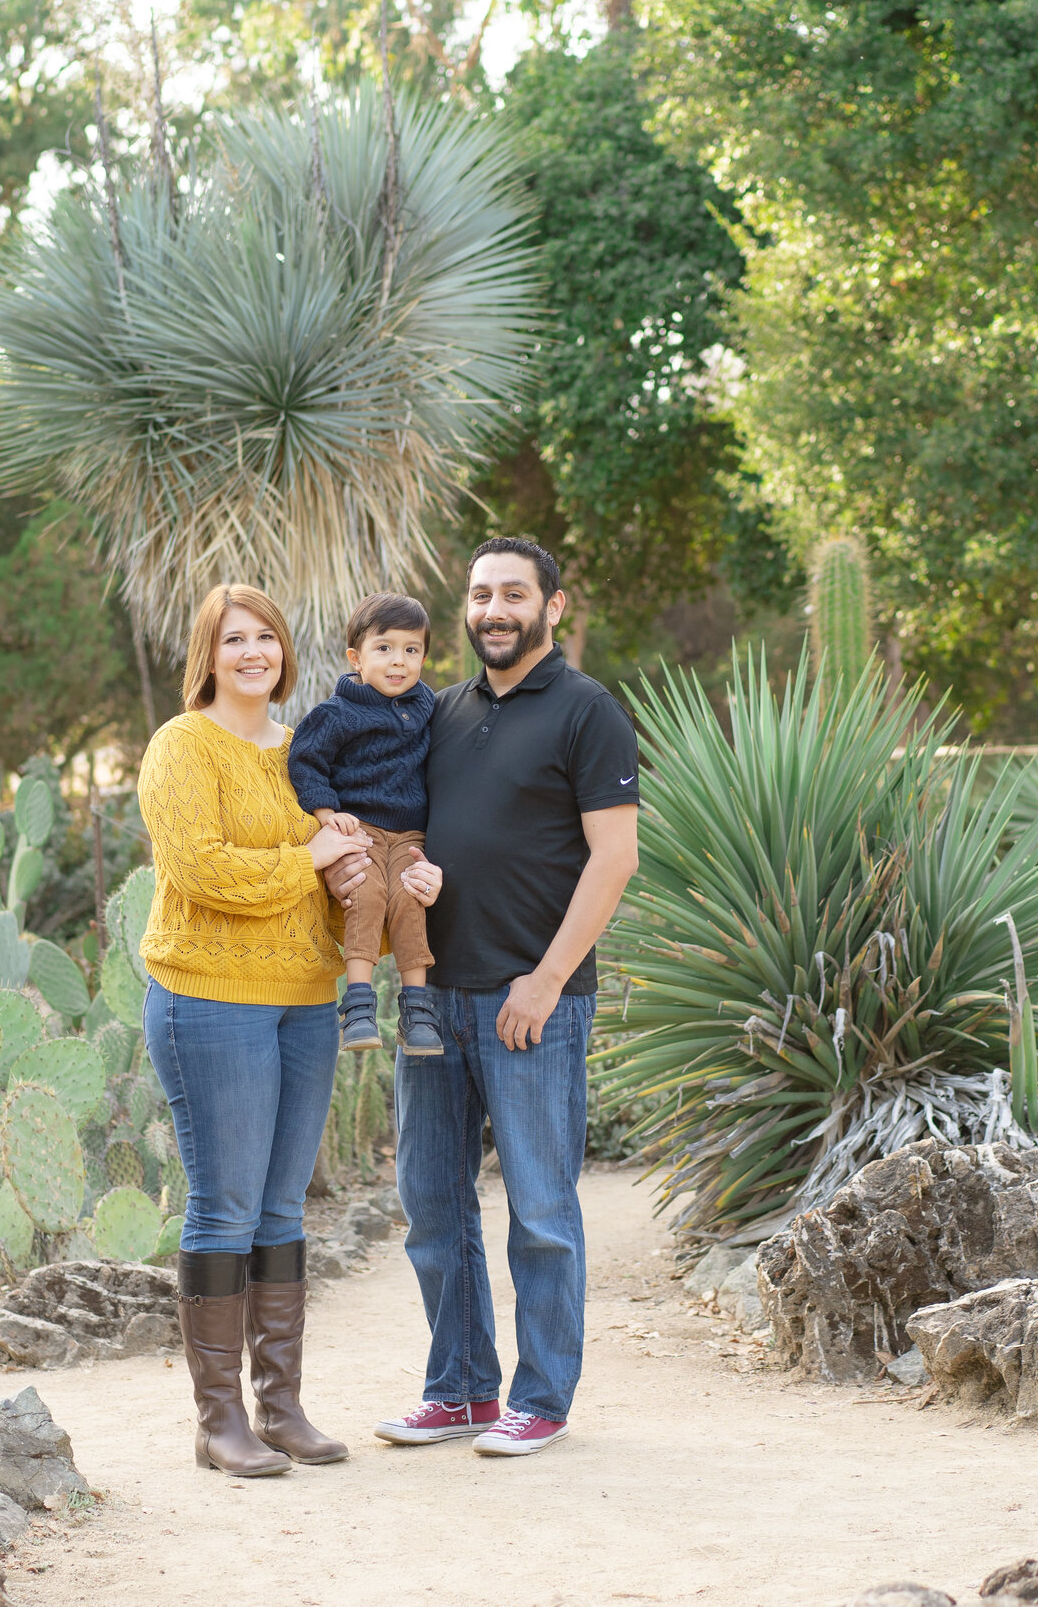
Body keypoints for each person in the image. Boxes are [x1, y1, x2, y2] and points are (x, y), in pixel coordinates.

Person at [136, 583, 441, 1478]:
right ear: (209, 654)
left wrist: (405, 881)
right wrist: (305, 853)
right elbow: (198, 869)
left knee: (280, 1206)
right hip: (209, 996)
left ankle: (282, 1404)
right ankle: (218, 1416)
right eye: (234, 639)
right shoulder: (182, 746)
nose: (253, 652)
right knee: (226, 1202)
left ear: (286, 650)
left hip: (308, 998)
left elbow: (360, 860)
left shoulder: (306, 744)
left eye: (265, 636)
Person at [351, 537, 640, 1459]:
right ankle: (462, 1389)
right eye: (480, 594)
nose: (493, 609)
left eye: (514, 593)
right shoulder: (438, 710)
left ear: (552, 607)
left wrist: (547, 980)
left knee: (541, 1211)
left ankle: (542, 1399)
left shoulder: (589, 711)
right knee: (431, 1202)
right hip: (433, 996)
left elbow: (615, 857)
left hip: (533, 1003)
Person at [286, 592, 443, 1057]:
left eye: (412, 650)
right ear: (356, 658)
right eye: (385, 648)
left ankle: (417, 1010)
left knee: (411, 899)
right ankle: (357, 1005)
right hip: (362, 830)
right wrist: (326, 813)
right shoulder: (336, 713)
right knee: (367, 895)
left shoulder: (427, 707)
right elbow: (306, 761)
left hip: (411, 833)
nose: (399, 662)